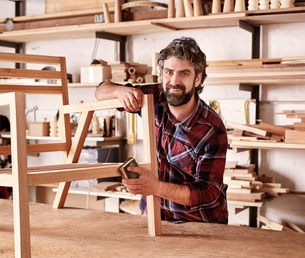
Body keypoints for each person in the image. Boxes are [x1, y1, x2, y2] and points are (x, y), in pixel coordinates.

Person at [95, 37, 228, 224]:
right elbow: (100, 91)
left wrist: (155, 187)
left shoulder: (211, 129)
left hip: (197, 223)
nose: (174, 81)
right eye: (169, 72)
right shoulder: (153, 97)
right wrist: (119, 92)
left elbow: (208, 193)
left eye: (183, 73)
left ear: (197, 79)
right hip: (154, 215)